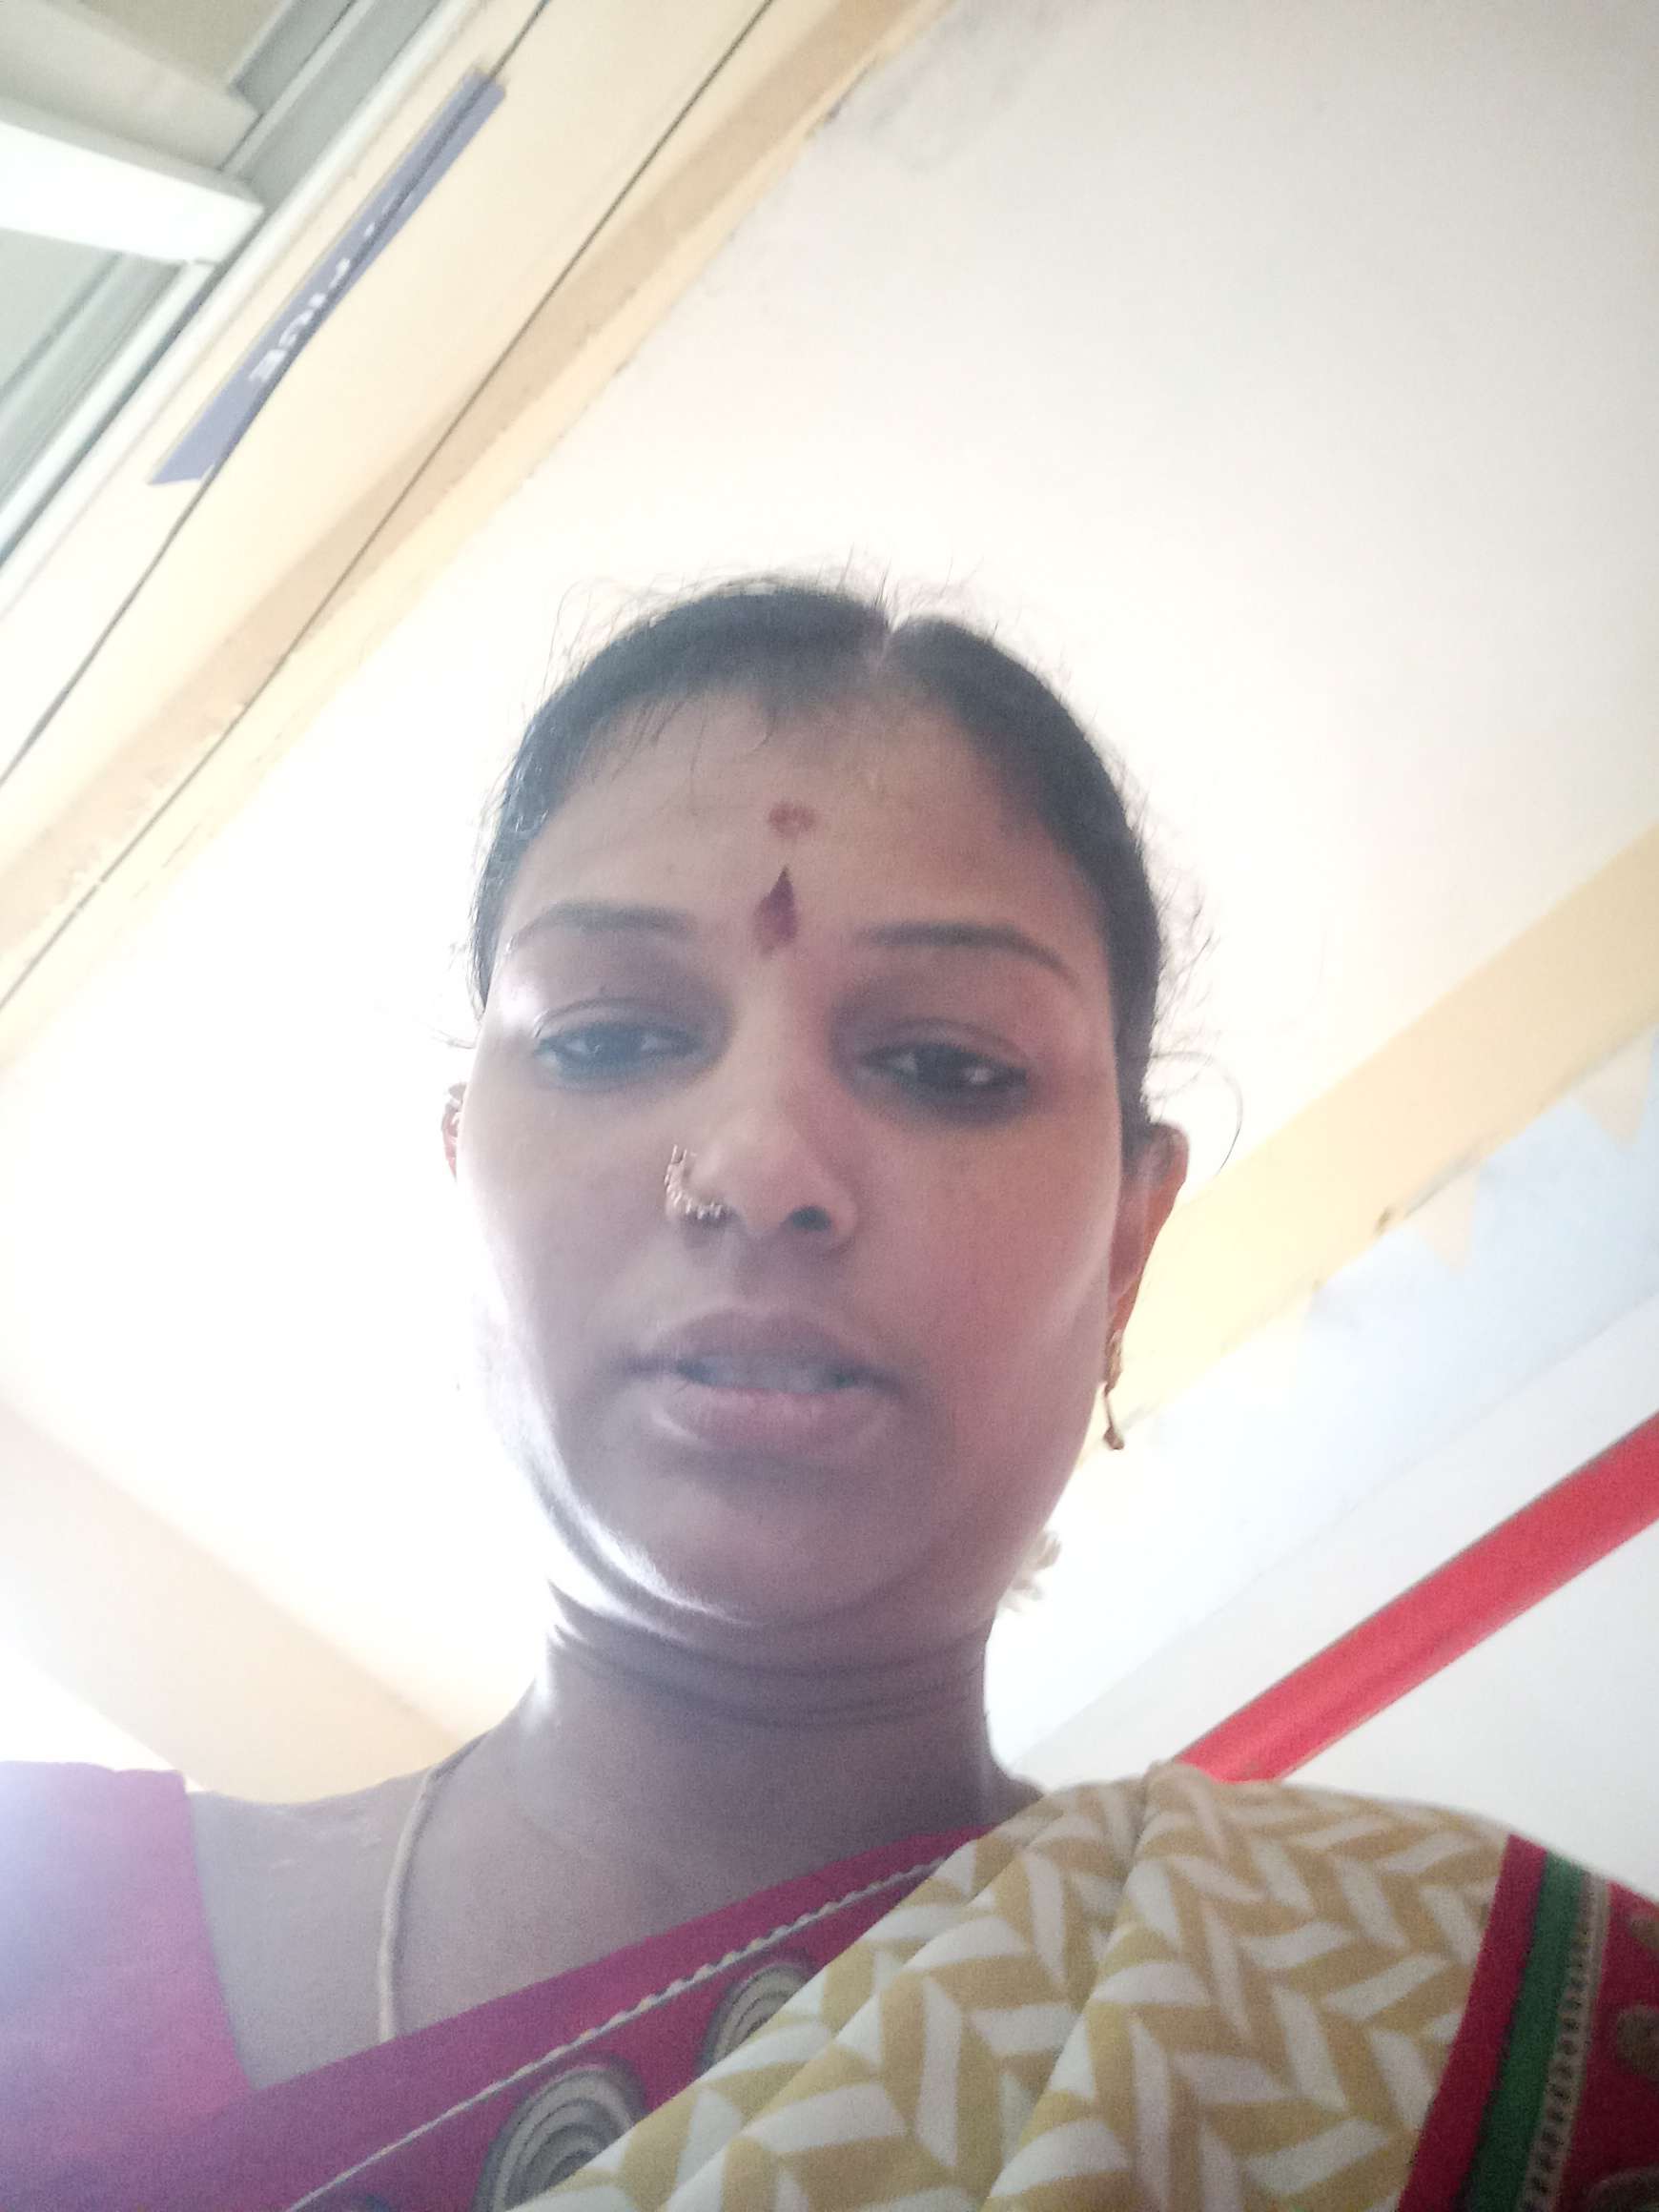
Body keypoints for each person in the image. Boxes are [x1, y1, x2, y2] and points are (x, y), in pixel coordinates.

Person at [2, 582, 1655, 2212]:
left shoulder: (1445, 2029)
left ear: (1128, 1245)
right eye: (606, 1037)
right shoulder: (33, 1935)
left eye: (947, 1065)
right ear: (463, 1177)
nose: (759, 1166)